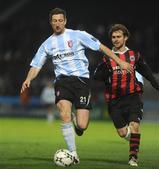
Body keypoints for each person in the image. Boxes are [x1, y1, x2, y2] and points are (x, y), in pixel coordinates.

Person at [20, 8, 133, 165]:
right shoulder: (47, 44)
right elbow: (36, 65)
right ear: (51, 23)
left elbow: (101, 47)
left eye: (60, 20)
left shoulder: (78, 35)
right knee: (63, 112)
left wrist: (119, 61)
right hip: (62, 82)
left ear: (65, 21)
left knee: (82, 125)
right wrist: (28, 79)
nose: (58, 23)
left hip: (81, 81)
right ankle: (73, 153)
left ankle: (76, 121)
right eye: (55, 21)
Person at [94, 24, 159, 167]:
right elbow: (96, 76)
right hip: (114, 100)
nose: (115, 39)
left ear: (125, 38)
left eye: (118, 36)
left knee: (135, 126)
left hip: (133, 96)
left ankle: (133, 157)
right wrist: (105, 72)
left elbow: (146, 71)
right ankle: (133, 139)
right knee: (122, 133)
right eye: (113, 37)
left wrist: (157, 86)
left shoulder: (134, 55)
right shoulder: (106, 58)